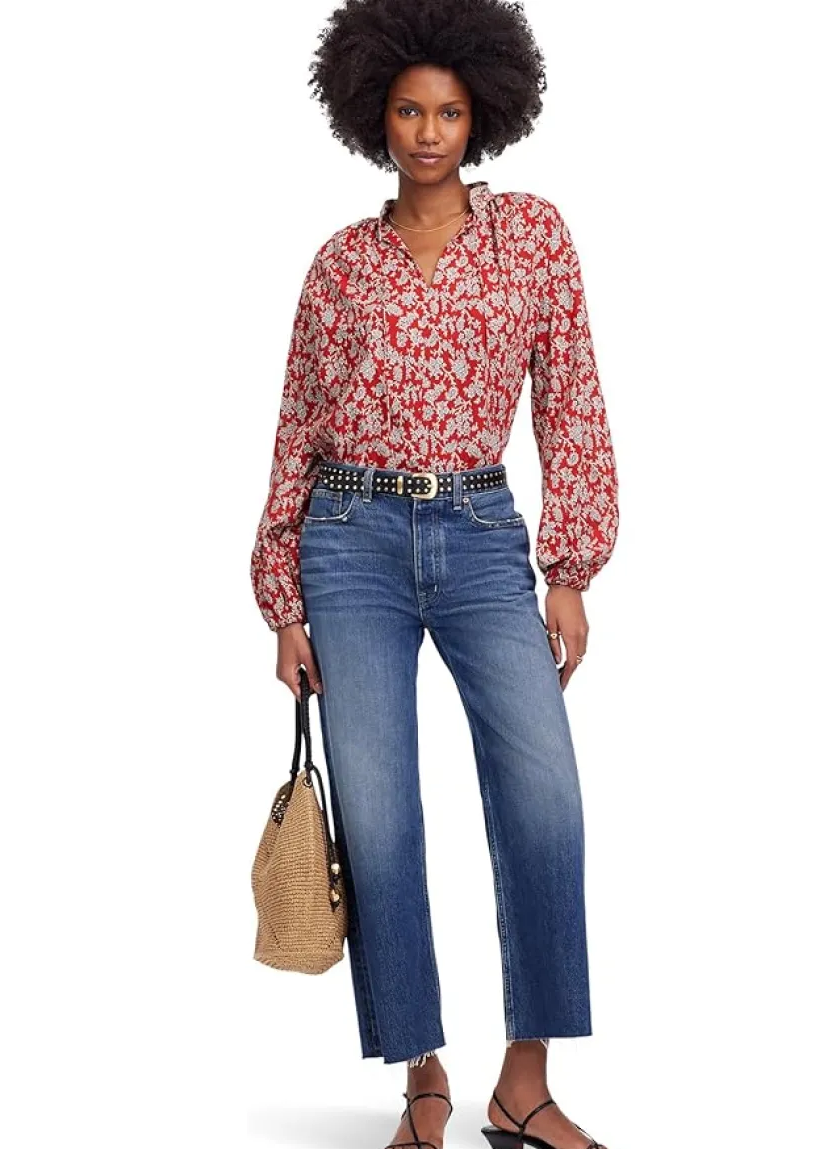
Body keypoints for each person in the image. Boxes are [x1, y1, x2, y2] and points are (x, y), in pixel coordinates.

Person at [250, 2, 618, 1147]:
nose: (426, 133)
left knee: (543, 799)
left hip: (478, 534)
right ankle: (420, 1075)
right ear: (373, 115)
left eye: (448, 113)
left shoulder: (532, 239)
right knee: (380, 815)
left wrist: (568, 570)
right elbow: (296, 427)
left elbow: (570, 402)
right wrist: (282, 601)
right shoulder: (339, 264)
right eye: (407, 111)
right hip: (345, 541)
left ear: (480, 116)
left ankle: (523, 1084)